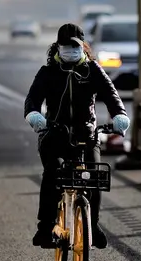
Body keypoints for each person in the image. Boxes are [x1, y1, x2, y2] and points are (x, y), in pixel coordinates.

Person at [24, 23, 130, 249]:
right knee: (53, 173)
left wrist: (119, 115)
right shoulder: (48, 72)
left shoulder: (93, 70)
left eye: (75, 46)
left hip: (87, 135)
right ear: (58, 47)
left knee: (95, 176)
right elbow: (32, 99)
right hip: (54, 133)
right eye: (66, 46)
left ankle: (94, 224)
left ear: (83, 46)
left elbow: (111, 95)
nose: (70, 50)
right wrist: (35, 116)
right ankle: (45, 227)